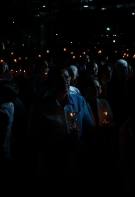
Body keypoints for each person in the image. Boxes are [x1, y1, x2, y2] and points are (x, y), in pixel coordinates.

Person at [27, 64, 95, 192]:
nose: (65, 81)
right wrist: (59, 144)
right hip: (51, 166)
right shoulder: (39, 106)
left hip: (75, 163)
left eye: (67, 77)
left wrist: (82, 142)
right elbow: (32, 139)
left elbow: (89, 127)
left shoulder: (79, 101)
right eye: (60, 78)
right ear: (52, 81)